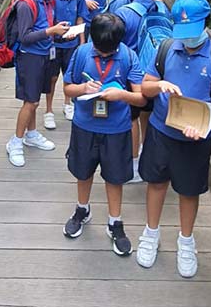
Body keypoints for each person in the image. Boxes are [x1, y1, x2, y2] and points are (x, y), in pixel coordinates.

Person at [136, 0, 211, 277]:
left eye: (192, 32)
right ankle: (150, 234)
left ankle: (186, 241)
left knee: (189, 191)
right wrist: (161, 85)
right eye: (183, 33)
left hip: (195, 137)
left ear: (206, 24)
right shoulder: (167, 47)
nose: (187, 39)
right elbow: (145, 87)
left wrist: (204, 124)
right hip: (161, 129)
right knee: (156, 182)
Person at [62, 13, 145, 256]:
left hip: (117, 128)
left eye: (109, 51)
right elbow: (68, 88)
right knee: (82, 171)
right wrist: (83, 88)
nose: (105, 54)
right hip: (85, 125)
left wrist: (123, 95)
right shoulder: (82, 54)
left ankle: (115, 222)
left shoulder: (129, 56)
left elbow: (140, 96)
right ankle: (82, 209)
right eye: (101, 50)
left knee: (115, 177)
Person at [6, 0, 70, 167]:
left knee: (35, 98)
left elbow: (45, 26)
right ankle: (15, 142)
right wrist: (51, 31)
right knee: (30, 102)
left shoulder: (48, 0)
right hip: (29, 57)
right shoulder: (27, 4)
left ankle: (31, 134)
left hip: (44, 54)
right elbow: (24, 38)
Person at [115, 0, 165, 182]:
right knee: (148, 114)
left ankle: (134, 164)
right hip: (155, 75)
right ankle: (146, 152)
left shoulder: (125, 13)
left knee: (132, 117)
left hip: (132, 74)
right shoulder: (163, 9)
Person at [44, 0, 85, 128]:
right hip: (54, 44)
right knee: (52, 78)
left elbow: (80, 18)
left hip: (72, 44)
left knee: (70, 76)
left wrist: (82, 42)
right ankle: (48, 110)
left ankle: (68, 104)